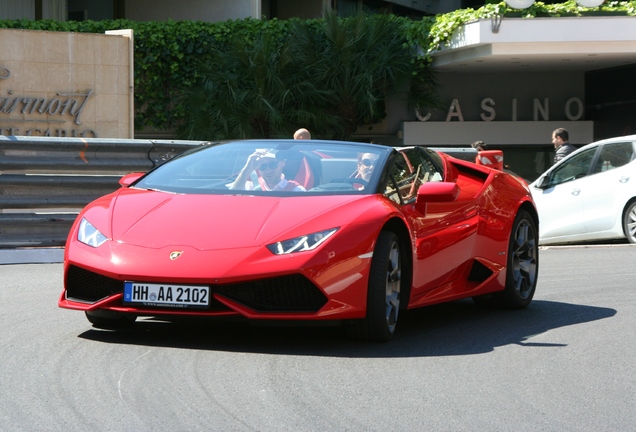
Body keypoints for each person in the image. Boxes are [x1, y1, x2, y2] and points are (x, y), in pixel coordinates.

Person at [229, 150, 306, 191]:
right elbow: (234, 193)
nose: (268, 170)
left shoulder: (295, 190)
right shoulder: (251, 186)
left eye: (273, 164)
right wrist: (248, 168)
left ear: (282, 163)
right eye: (263, 166)